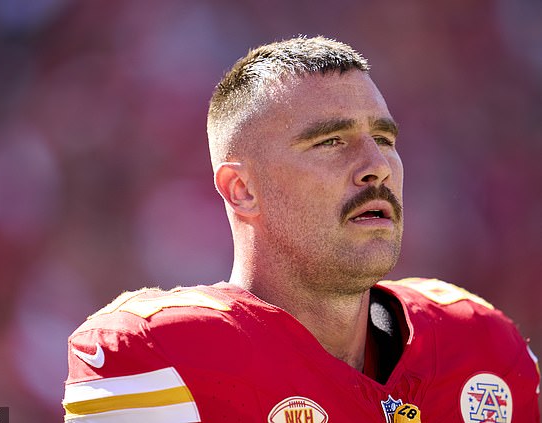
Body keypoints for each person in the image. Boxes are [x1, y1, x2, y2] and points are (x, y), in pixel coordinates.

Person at [62, 36, 540, 423]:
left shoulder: (479, 342)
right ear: (241, 189)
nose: (376, 166)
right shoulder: (159, 357)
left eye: (384, 138)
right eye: (331, 141)